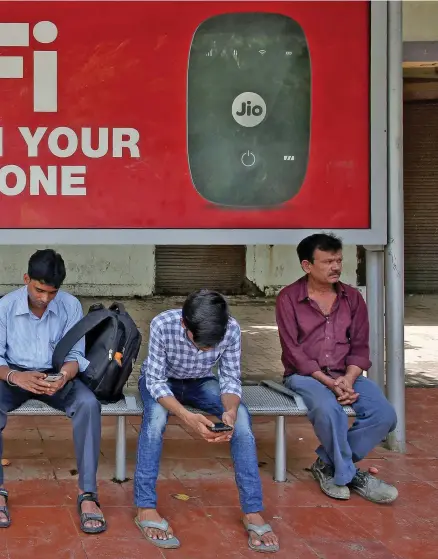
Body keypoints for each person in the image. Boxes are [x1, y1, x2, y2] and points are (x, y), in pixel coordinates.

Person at [134, 289, 279, 553]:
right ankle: (145, 508)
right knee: (154, 419)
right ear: (183, 324)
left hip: (201, 382)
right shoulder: (163, 324)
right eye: (200, 343)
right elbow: (154, 381)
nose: (206, 349)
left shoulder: (231, 329)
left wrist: (230, 411)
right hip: (160, 381)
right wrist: (188, 418)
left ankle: (253, 511)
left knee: (243, 419)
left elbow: (230, 378)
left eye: (212, 345)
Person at [275, 233, 398, 504]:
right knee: (329, 410)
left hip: (346, 373)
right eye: (328, 261)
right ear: (307, 265)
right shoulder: (288, 298)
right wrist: (329, 383)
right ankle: (348, 474)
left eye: (339, 260)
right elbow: (293, 351)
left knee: (384, 414)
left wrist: (349, 379)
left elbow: (361, 347)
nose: (336, 267)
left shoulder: (352, 298)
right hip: (305, 375)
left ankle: (327, 465)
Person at [0, 249, 106, 533]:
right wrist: (15, 376)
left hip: (55, 375)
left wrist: (62, 376)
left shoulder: (70, 305)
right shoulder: (5, 306)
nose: (45, 298)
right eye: (39, 290)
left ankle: (88, 495)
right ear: (26, 279)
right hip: (13, 374)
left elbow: (75, 354)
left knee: (88, 404)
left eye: (52, 292)